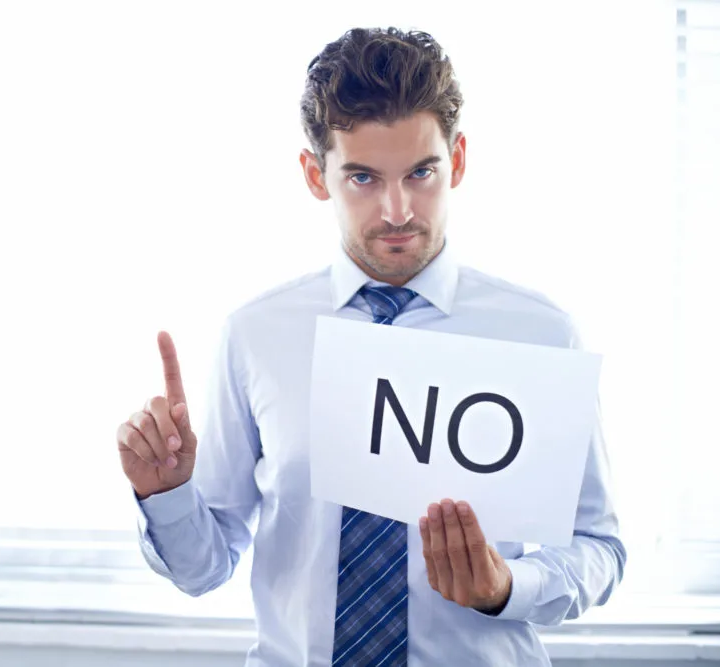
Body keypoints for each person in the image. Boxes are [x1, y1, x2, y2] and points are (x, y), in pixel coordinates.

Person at [115, 26, 626, 667]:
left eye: (421, 173)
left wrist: (507, 588)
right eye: (362, 177)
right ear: (314, 174)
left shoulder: (543, 335)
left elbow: (599, 550)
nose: (396, 210)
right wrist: (166, 493)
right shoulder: (257, 335)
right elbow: (202, 570)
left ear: (458, 161)